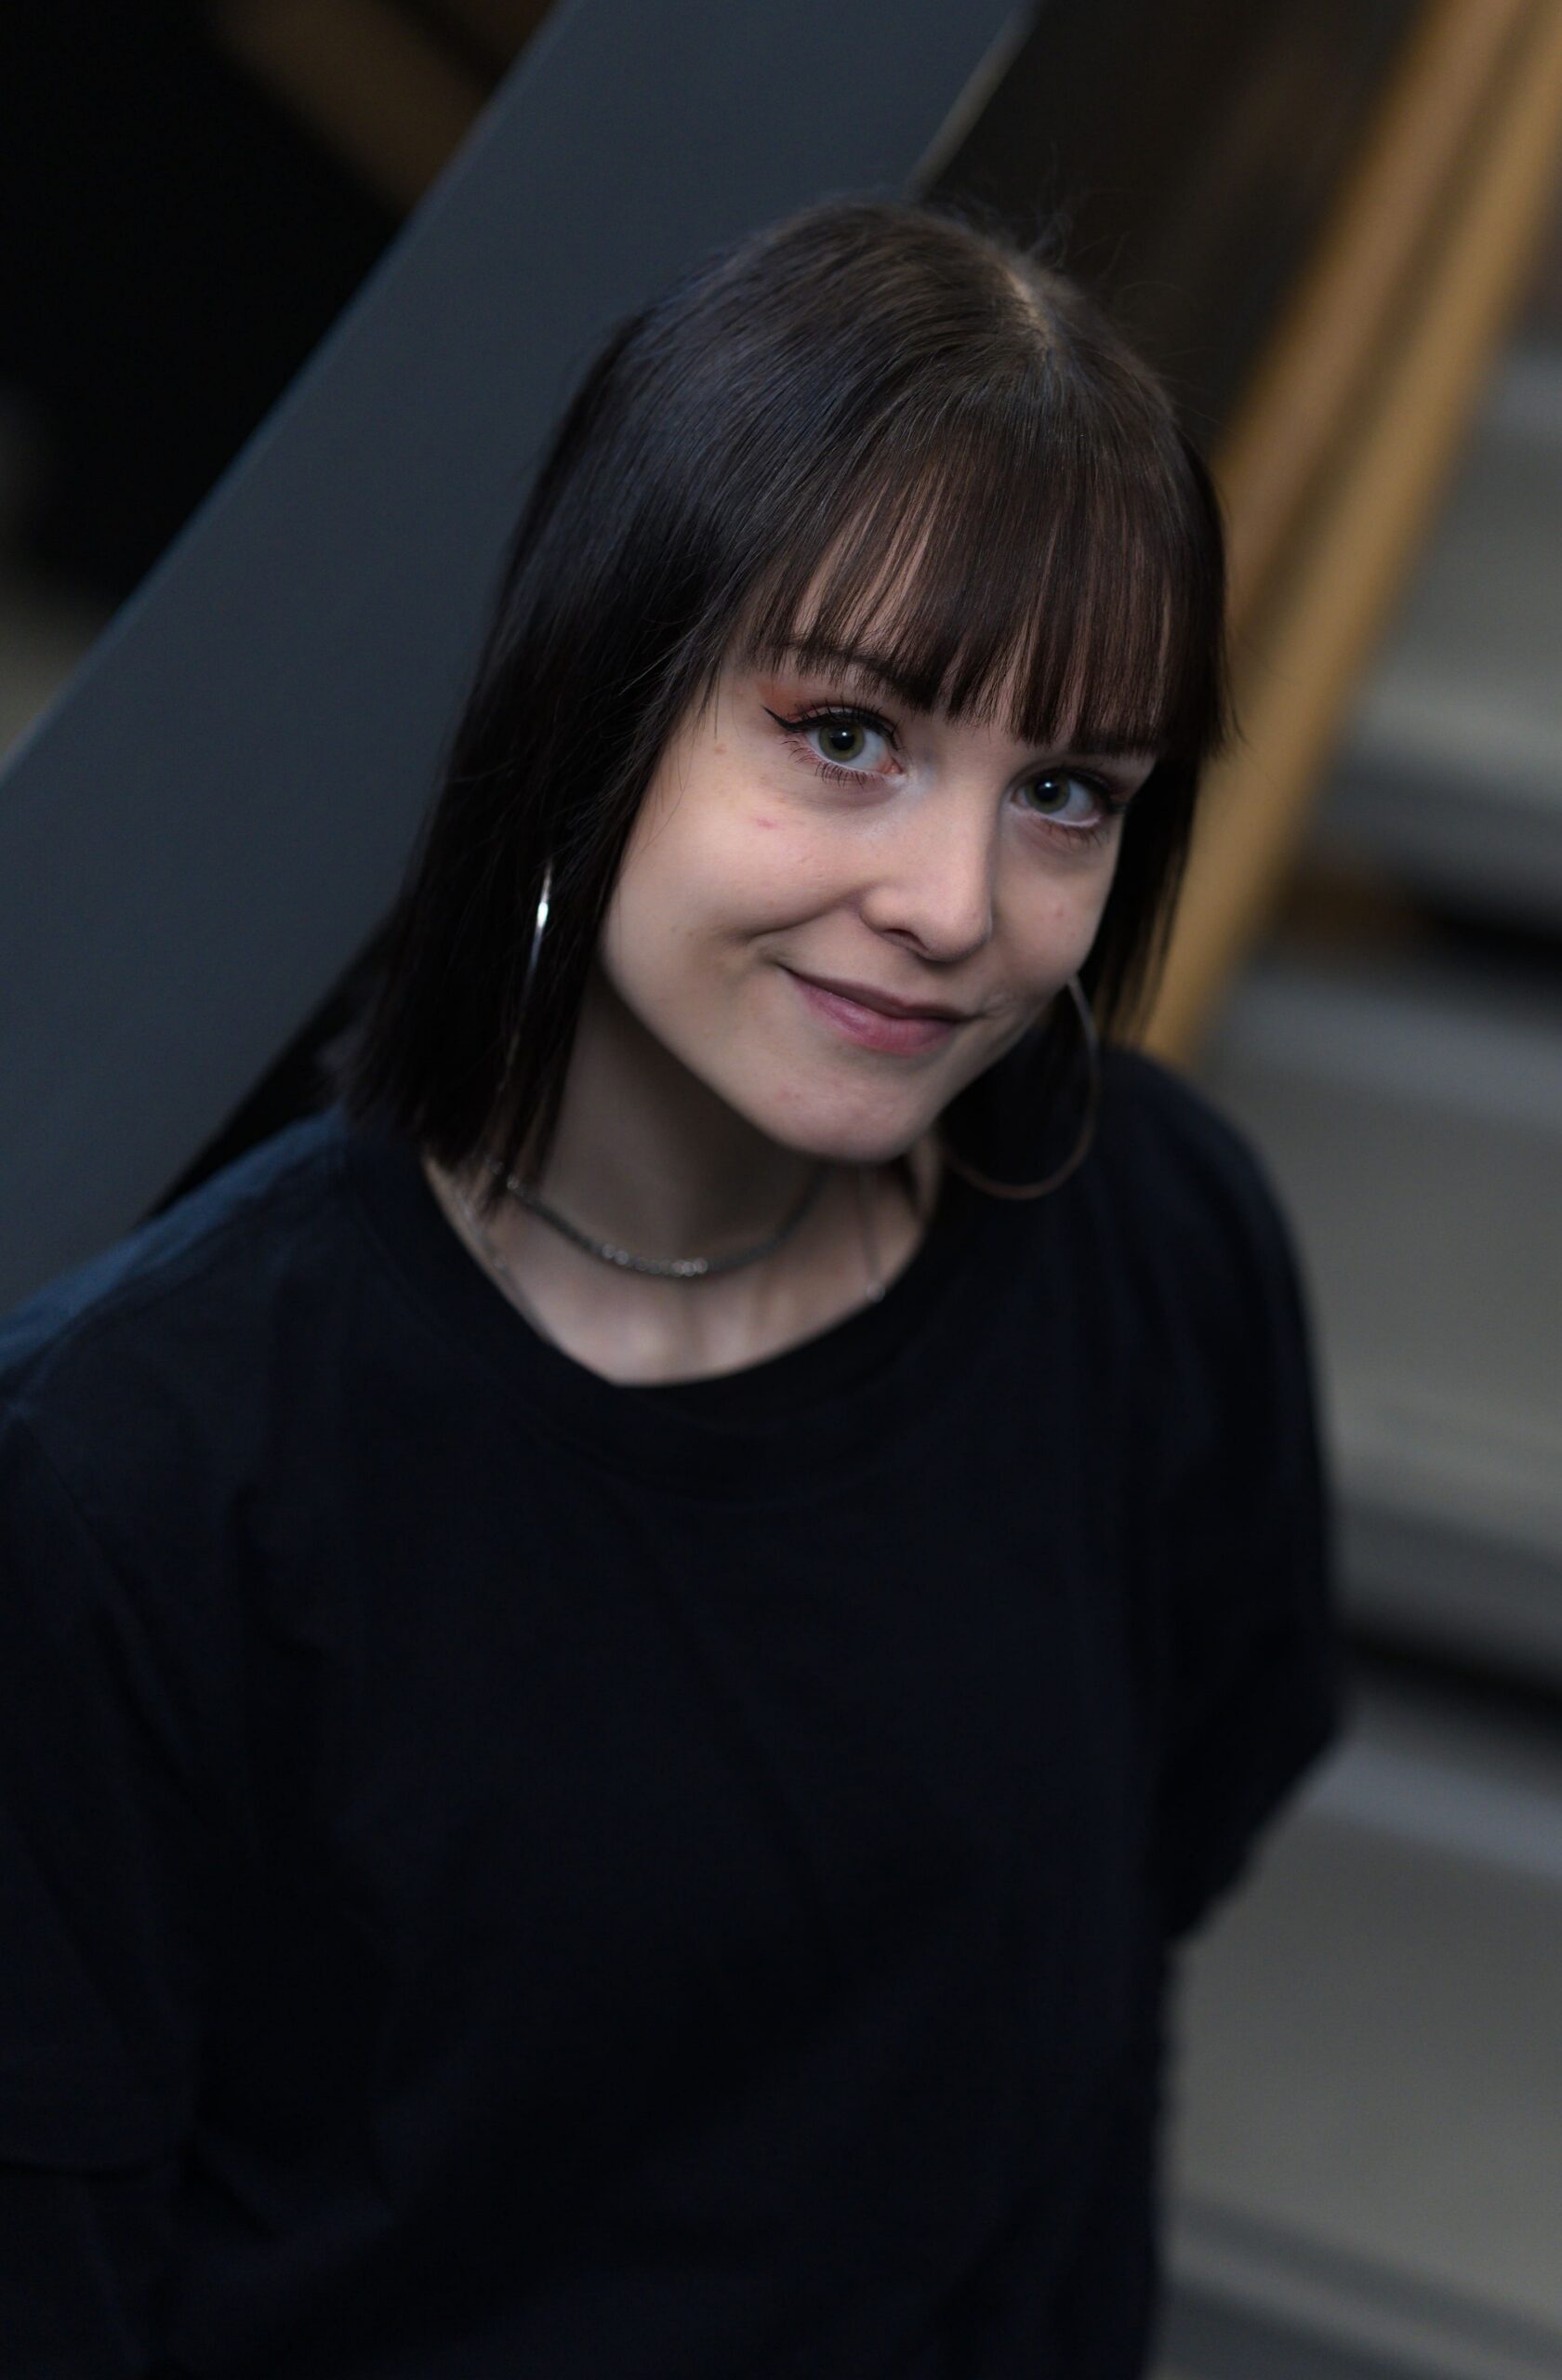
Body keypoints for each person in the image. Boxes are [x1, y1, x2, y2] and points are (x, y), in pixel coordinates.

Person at [0, 197, 1346, 2376]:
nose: (957, 902)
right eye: (849, 732)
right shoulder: (126, 1481)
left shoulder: (1153, 1245)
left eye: (1069, 791)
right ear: (595, 697)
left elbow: (1155, 1868)